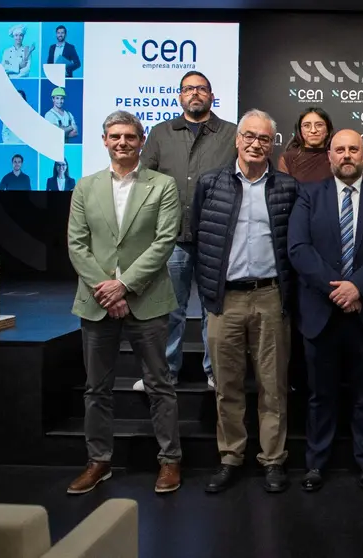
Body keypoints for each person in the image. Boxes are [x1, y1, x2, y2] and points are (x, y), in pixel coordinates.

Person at [65, 110, 182, 495]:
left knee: (159, 385)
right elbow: (77, 245)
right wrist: (106, 288)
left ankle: (169, 461)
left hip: (146, 300)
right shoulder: (85, 186)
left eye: (129, 137)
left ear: (141, 139)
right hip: (97, 301)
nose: (122, 143)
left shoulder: (162, 185)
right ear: (103, 140)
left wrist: (124, 286)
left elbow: (164, 241)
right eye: (114, 136)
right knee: (96, 388)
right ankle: (99, 461)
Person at [288, 129, 363, 493]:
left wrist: (360, 286)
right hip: (321, 314)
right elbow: (298, 249)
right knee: (319, 395)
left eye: (353, 149)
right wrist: (338, 290)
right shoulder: (308, 195)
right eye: (339, 150)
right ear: (329, 156)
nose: (346, 155)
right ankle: (316, 464)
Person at [191, 110, 299, 494]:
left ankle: (273, 460)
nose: (256, 144)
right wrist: (209, 295)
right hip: (226, 301)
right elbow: (200, 240)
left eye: (264, 139)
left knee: (273, 386)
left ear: (273, 144)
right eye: (249, 136)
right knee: (227, 386)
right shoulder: (210, 183)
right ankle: (230, 457)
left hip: (271, 297)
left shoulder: (288, 187)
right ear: (237, 140)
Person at [138, 71, 238, 391]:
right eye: (188, 89)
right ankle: (165, 371)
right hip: (173, 237)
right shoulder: (160, 133)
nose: (195, 94)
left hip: (216, 238)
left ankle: (216, 372)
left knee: (215, 311)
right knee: (170, 309)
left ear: (211, 95)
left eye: (201, 89)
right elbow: (144, 183)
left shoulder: (231, 134)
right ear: (179, 96)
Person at [277, 107, 334, 183]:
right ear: (300, 131)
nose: (313, 130)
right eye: (307, 125)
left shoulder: (336, 157)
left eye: (319, 125)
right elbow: (284, 192)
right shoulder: (288, 159)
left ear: (328, 130)